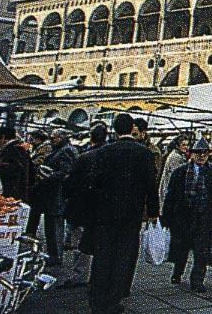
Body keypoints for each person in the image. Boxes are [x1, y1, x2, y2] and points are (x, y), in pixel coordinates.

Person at [84, 114, 159, 314]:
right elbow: (151, 185)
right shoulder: (144, 153)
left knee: (103, 255)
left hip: (105, 213)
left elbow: (94, 183)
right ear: (132, 127)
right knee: (123, 257)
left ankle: (97, 299)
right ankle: (112, 300)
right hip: (131, 214)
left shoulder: (104, 151)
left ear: (114, 130)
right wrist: (153, 211)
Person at [161, 138, 212, 292]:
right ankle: (177, 273)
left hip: (204, 217)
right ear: (192, 154)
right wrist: (166, 217)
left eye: (205, 153)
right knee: (181, 248)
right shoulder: (180, 171)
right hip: (183, 217)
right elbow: (171, 196)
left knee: (202, 251)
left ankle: (197, 281)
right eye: (198, 153)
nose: (201, 156)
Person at [62, 122, 108, 288]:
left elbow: (71, 183)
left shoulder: (85, 157)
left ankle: (81, 274)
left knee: (80, 243)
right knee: (100, 242)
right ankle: (98, 274)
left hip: (82, 206)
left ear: (91, 137)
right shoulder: (110, 156)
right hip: (102, 207)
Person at [39, 128, 79, 268]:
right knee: (51, 224)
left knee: (54, 224)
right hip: (53, 193)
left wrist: (48, 176)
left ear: (62, 137)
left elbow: (66, 172)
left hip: (58, 194)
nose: (52, 140)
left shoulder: (66, 150)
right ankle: (53, 253)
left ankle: (56, 255)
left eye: (54, 137)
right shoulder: (60, 149)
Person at [0, 126, 32, 201]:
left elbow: (14, 169)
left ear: (3, 137)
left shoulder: (15, 149)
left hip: (12, 192)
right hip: (11, 190)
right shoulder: (11, 148)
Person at [25, 130, 53, 239]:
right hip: (38, 181)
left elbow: (39, 161)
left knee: (35, 208)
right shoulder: (40, 147)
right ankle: (30, 231)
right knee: (34, 208)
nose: (31, 140)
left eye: (33, 138)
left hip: (39, 182)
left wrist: (29, 160)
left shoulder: (46, 148)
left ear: (38, 138)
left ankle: (31, 231)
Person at [159, 136, 189, 212]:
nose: (186, 147)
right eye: (183, 145)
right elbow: (178, 177)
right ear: (177, 146)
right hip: (171, 193)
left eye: (187, 145)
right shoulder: (176, 157)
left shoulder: (177, 155)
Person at [133, 118, 163, 184]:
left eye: (135, 134)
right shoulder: (131, 147)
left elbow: (155, 176)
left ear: (143, 133)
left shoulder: (153, 151)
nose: (132, 137)